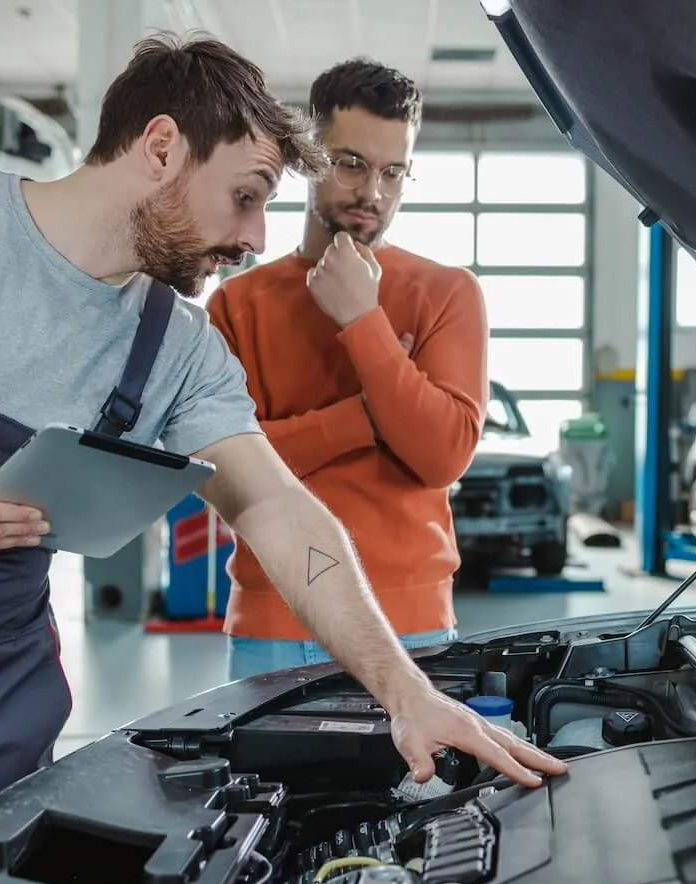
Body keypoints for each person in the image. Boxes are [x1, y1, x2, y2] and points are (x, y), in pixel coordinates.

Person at [0, 34, 563, 884]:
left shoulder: (177, 346)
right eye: (244, 198)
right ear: (161, 147)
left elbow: (275, 507)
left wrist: (408, 692)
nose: (254, 239)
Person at [208, 58, 489, 680]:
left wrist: (362, 321)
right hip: (273, 623)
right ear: (308, 155)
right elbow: (227, 476)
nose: (373, 194)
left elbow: (441, 455)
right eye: (352, 163)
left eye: (394, 172)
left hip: (412, 626)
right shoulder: (237, 304)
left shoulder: (447, 293)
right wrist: (369, 416)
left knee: (415, 785)